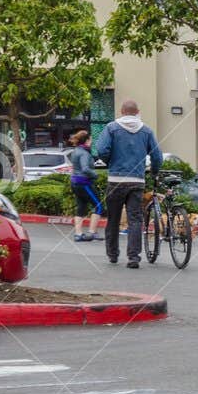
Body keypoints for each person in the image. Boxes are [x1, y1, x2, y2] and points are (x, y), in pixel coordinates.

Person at [92, 101, 163, 269]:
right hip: (137, 182)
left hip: (116, 180)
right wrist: (154, 171)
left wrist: (111, 162)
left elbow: (101, 149)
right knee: (135, 220)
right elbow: (157, 156)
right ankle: (133, 257)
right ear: (137, 112)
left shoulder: (111, 128)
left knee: (113, 219)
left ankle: (113, 254)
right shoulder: (146, 130)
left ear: (122, 112)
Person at [65, 130, 104, 242]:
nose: (91, 141)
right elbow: (85, 168)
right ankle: (92, 232)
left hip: (75, 182)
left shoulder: (75, 151)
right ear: (87, 141)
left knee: (81, 207)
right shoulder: (84, 153)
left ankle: (78, 234)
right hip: (84, 182)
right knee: (99, 206)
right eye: (91, 139)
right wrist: (95, 175)